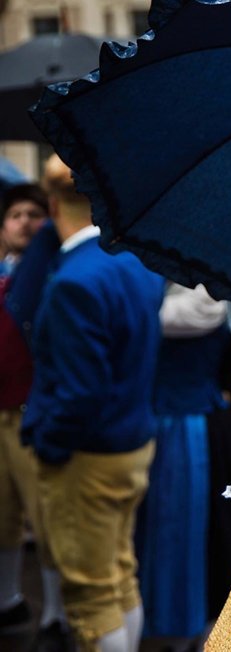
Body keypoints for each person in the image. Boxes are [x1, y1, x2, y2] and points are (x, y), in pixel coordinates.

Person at [20, 156, 165, 652]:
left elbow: (80, 392)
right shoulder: (132, 263)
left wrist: (50, 445)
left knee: (90, 588)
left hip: (90, 456)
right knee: (119, 572)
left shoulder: (72, 282)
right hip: (131, 441)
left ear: (53, 205)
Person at [135, 282, 231, 640]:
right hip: (163, 421)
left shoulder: (205, 301)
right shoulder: (167, 294)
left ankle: (180, 623)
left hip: (186, 427)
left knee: (180, 525)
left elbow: (149, 317)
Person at [0, 184, 71, 648]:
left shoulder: (52, 272)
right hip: (0, 411)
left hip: (33, 412)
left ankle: (55, 614)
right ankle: (7, 599)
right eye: (15, 215)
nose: (24, 221)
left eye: (33, 214)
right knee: (3, 515)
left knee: (46, 520)